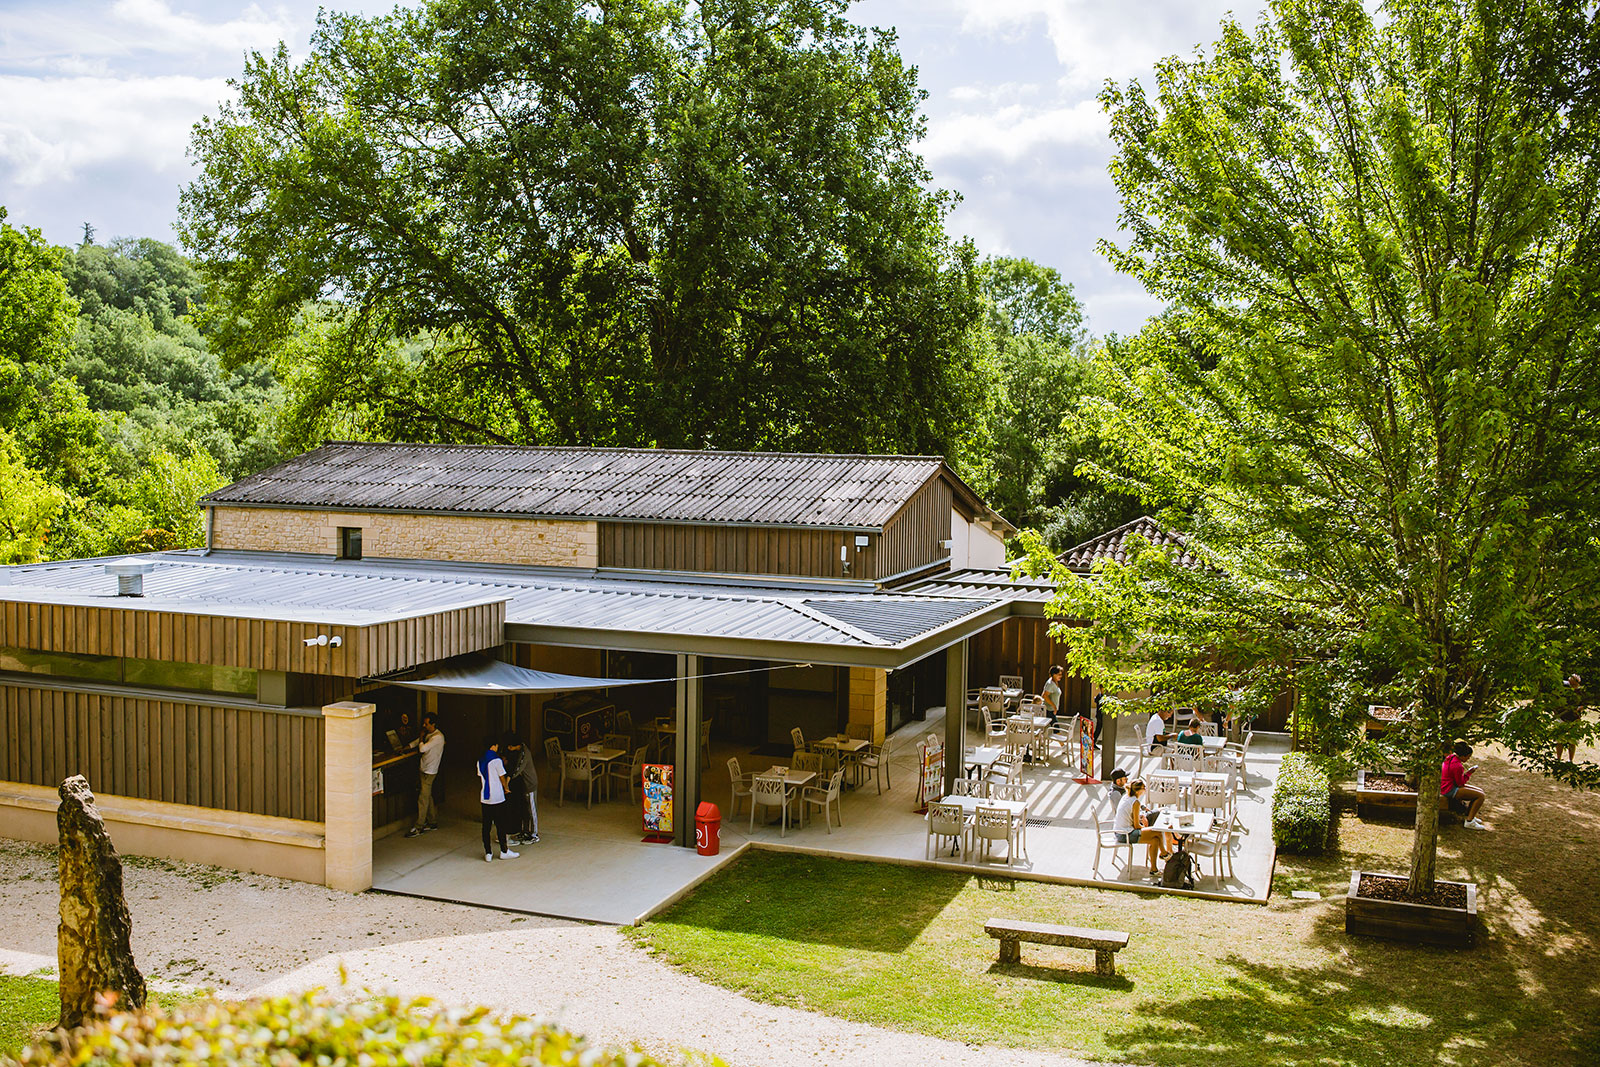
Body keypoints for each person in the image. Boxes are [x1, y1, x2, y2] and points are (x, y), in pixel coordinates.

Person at [1112, 778, 1172, 871]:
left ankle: (1154, 869)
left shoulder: (1127, 797)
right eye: (1144, 787)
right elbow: (1136, 826)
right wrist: (1146, 828)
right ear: (1138, 790)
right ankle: (1164, 853)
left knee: (1155, 840)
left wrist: (1142, 820)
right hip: (1125, 834)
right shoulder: (1135, 802)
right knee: (1157, 831)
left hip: (1119, 832)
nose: (1145, 789)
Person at [477, 736, 520, 861]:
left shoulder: (480, 761)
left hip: (485, 798)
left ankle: (488, 853)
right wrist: (506, 788)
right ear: (493, 746)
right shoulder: (496, 760)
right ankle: (504, 851)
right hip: (497, 797)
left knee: (486, 826)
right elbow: (502, 777)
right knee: (501, 825)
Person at [403, 714, 444, 838]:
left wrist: (421, 737)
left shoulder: (438, 737)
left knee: (423, 798)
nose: (424, 726)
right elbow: (417, 743)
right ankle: (432, 822)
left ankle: (419, 826)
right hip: (424, 768)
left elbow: (422, 748)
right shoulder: (429, 735)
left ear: (433, 724)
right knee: (427, 796)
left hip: (430, 771)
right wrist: (407, 747)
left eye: (426, 724)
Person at [502, 734, 540, 845]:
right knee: (525, 810)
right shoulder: (519, 750)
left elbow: (517, 769)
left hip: (530, 785)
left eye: (510, 746)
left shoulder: (524, 753)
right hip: (523, 785)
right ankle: (525, 831)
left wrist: (507, 781)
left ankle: (534, 834)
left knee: (531, 810)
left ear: (516, 745)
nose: (509, 748)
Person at [1441, 740, 1487, 830]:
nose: (1468, 759)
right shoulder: (1458, 766)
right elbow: (1460, 783)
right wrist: (1469, 773)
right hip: (1448, 789)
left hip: (1446, 786)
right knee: (1480, 796)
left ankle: (1471, 816)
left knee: (1480, 791)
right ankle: (1469, 821)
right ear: (1463, 756)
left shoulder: (1451, 758)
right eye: (1468, 757)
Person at [1558, 674, 1584, 762]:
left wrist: (1580, 708)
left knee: (1572, 741)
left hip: (1574, 718)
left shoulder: (1579, 691)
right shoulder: (1563, 687)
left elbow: (1582, 703)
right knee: (1559, 740)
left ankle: (1570, 760)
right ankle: (1558, 759)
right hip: (1561, 716)